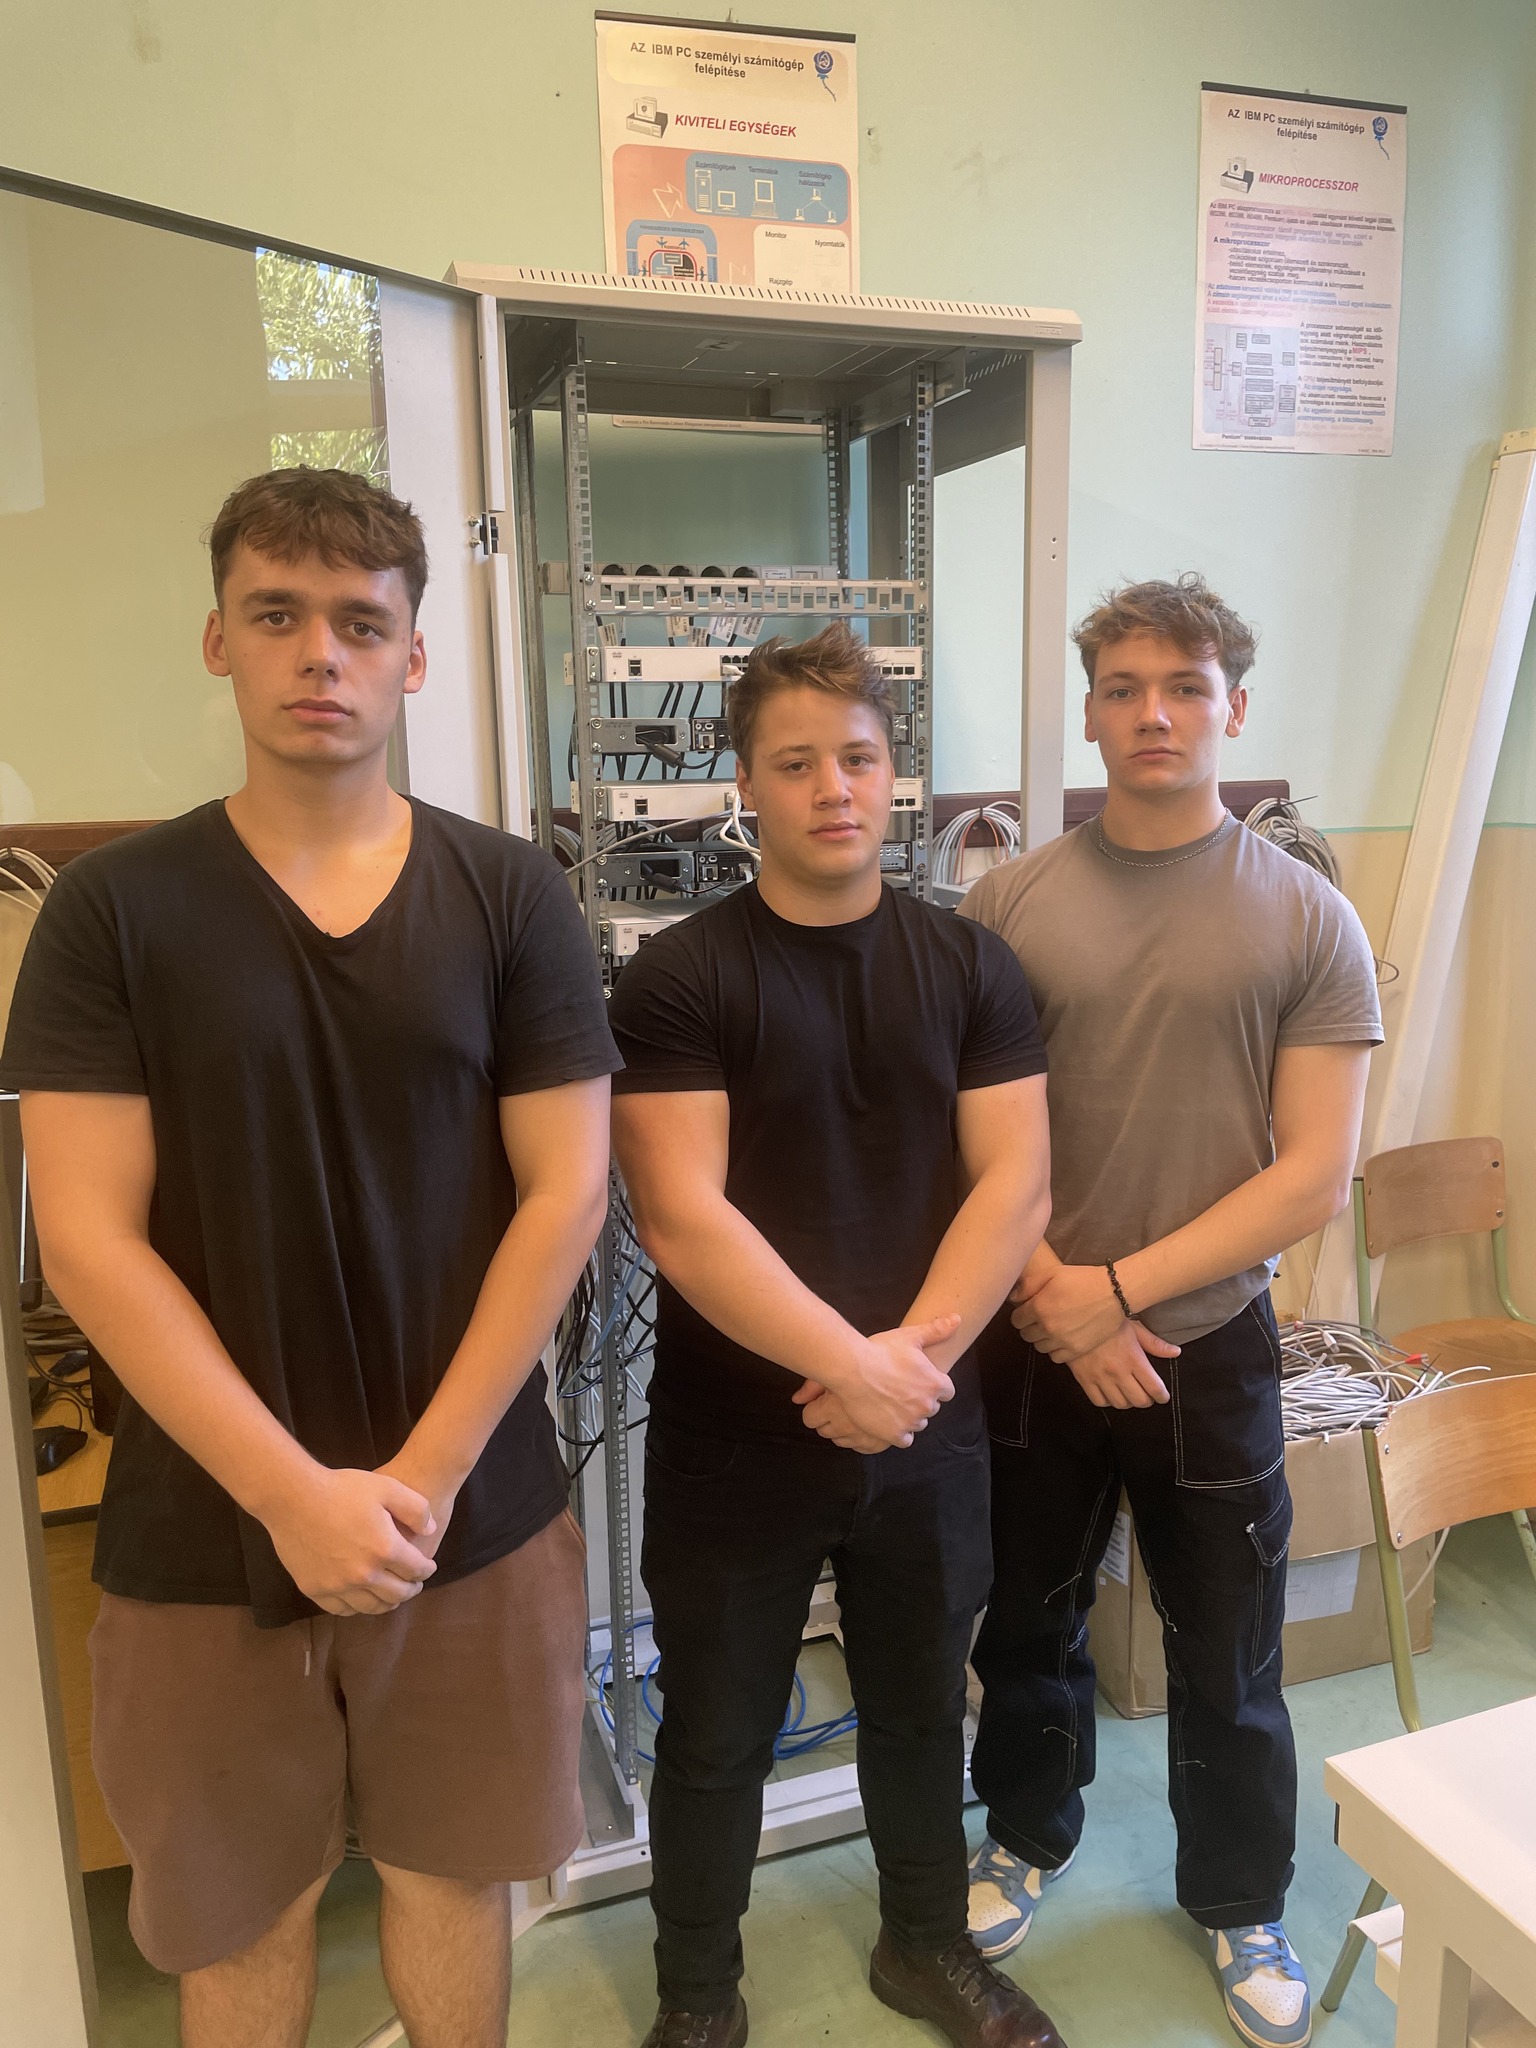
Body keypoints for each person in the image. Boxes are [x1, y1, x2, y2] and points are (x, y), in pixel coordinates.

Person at [1, 468, 620, 2048]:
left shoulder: (510, 895)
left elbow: (566, 1193)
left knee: (451, 1881)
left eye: (359, 621)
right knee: (238, 1917)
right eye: (277, 615)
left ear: (415, 654)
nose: (319, 655)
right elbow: (86, 1236)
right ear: (219, 639)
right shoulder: (110, 914)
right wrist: (291, 1495)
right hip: (204, 1527)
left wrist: (418, 1479)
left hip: (469, 1513)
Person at [608, 621, 1065, 2048]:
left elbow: (1016, 1185)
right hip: (739, 1440)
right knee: (716, 1729)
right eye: (796, 763)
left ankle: (926, 1947)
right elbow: (680, 1216)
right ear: (746, 782)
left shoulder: (970, 966)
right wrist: (848, 1364)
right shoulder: (680, 977)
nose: (833, 788)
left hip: (926, 1422)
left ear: (894, 774)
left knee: (923, 1709)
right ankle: (698, 1995)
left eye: (857, 758)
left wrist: (905, 1368)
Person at [959, 574, 1382, 2048]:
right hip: (1032, 1340)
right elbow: (967, 1134)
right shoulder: (1007, 905)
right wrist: (1052, 1300)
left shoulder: (1307, 919)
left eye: (1186, 686)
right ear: (1088, 713)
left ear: (1233, 709)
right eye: (1125, 688)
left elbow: (1313, 1173)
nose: (1155, 713)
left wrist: (1119, 1296)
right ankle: (1026, 1835)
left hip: (1207, 1351)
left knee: (1230, 1652)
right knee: (1027, 1619)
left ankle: (1242, 1901)